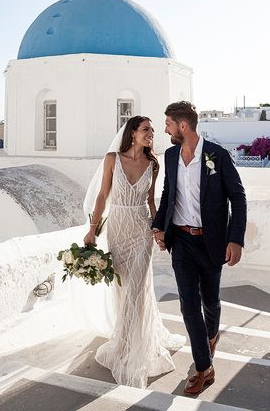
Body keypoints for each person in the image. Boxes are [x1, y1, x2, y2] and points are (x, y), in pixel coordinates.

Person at [151, 101, 247, 396]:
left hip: (212, 242)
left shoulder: (217, 155)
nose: (165, 129)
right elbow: (169, 192)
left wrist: (236, 239)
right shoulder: (170, 155)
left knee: (211, 302)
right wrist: (159, 225)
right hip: (181, 241)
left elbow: (238, 197)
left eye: (168, 123)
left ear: (182, 126)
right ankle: (203, 367)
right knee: (187, 304)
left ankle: (213, 334)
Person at [84, 115, 185, 388]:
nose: (151, 133)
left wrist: (158, 230)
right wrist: (92, 229)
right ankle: (126, 340)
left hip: (141, 230)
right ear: (132, 133)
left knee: (137, 289)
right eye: (146, 129)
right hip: (117, 227)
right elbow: (102, 196)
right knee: (122, 287)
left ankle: (131, 349)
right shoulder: (112, 159)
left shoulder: (153, 164)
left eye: (152, 130)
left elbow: (151, 201)